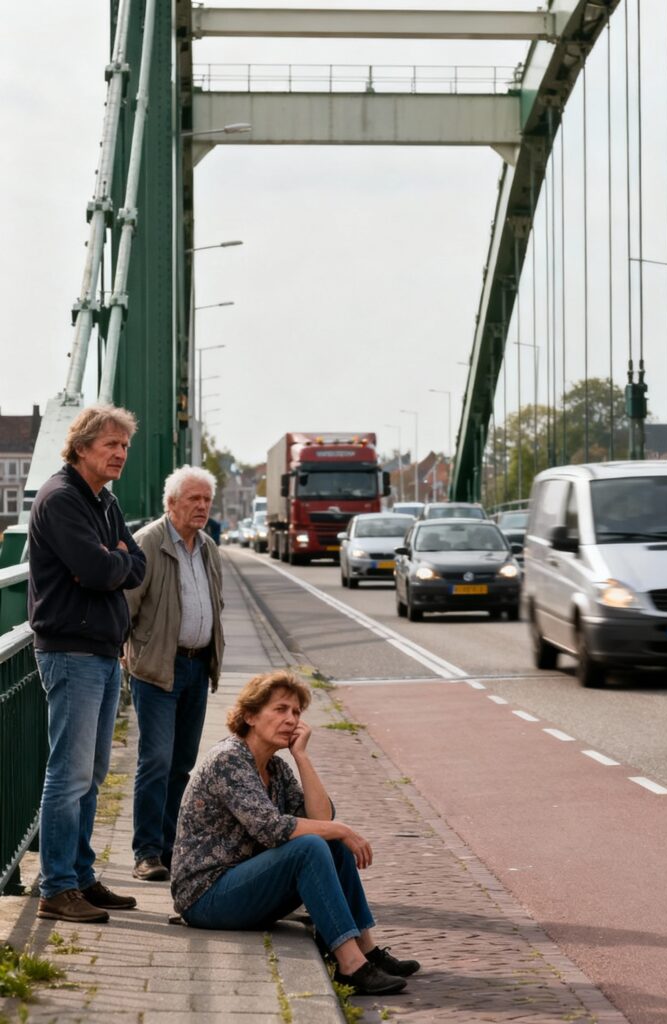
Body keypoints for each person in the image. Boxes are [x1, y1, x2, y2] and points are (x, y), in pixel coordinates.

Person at [171, 671, 420, 996]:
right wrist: (339, 828)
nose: (291, 719)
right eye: (280, 709)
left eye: (296, 713)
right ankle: (350, 966)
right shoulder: (228, 760)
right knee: (310, 846)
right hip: (206, 897)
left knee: (328, 842)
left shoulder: (275, 768)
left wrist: (301, 756)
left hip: (244, 886)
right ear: (250, 715)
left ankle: (365, 948)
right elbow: (273, 829)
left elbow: (320, 817)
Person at [27, 403, 147, 924]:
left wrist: (112, 562)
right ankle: (56, 887)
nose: (121, 454)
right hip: (70, 652)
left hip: (100, 651)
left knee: (92, 773)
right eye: (111, 446)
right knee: (69, 774)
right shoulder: (60, 499)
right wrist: (110, 562)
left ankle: (79, 874)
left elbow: (133, 566)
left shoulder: (104, 500)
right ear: (81, 448)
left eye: (125, 446)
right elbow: (98, 569)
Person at [125, 466, 224, 882]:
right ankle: (146, 851)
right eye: (193, 500)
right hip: (158, 669)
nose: (201, 507)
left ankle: (170, 847)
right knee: (156, 760)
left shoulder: (208, 547)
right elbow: (125, 607)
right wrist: (130, 657)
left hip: (197, 667)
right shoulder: (148, 542)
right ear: (171, 504)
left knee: (183, 763)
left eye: (206, 500)